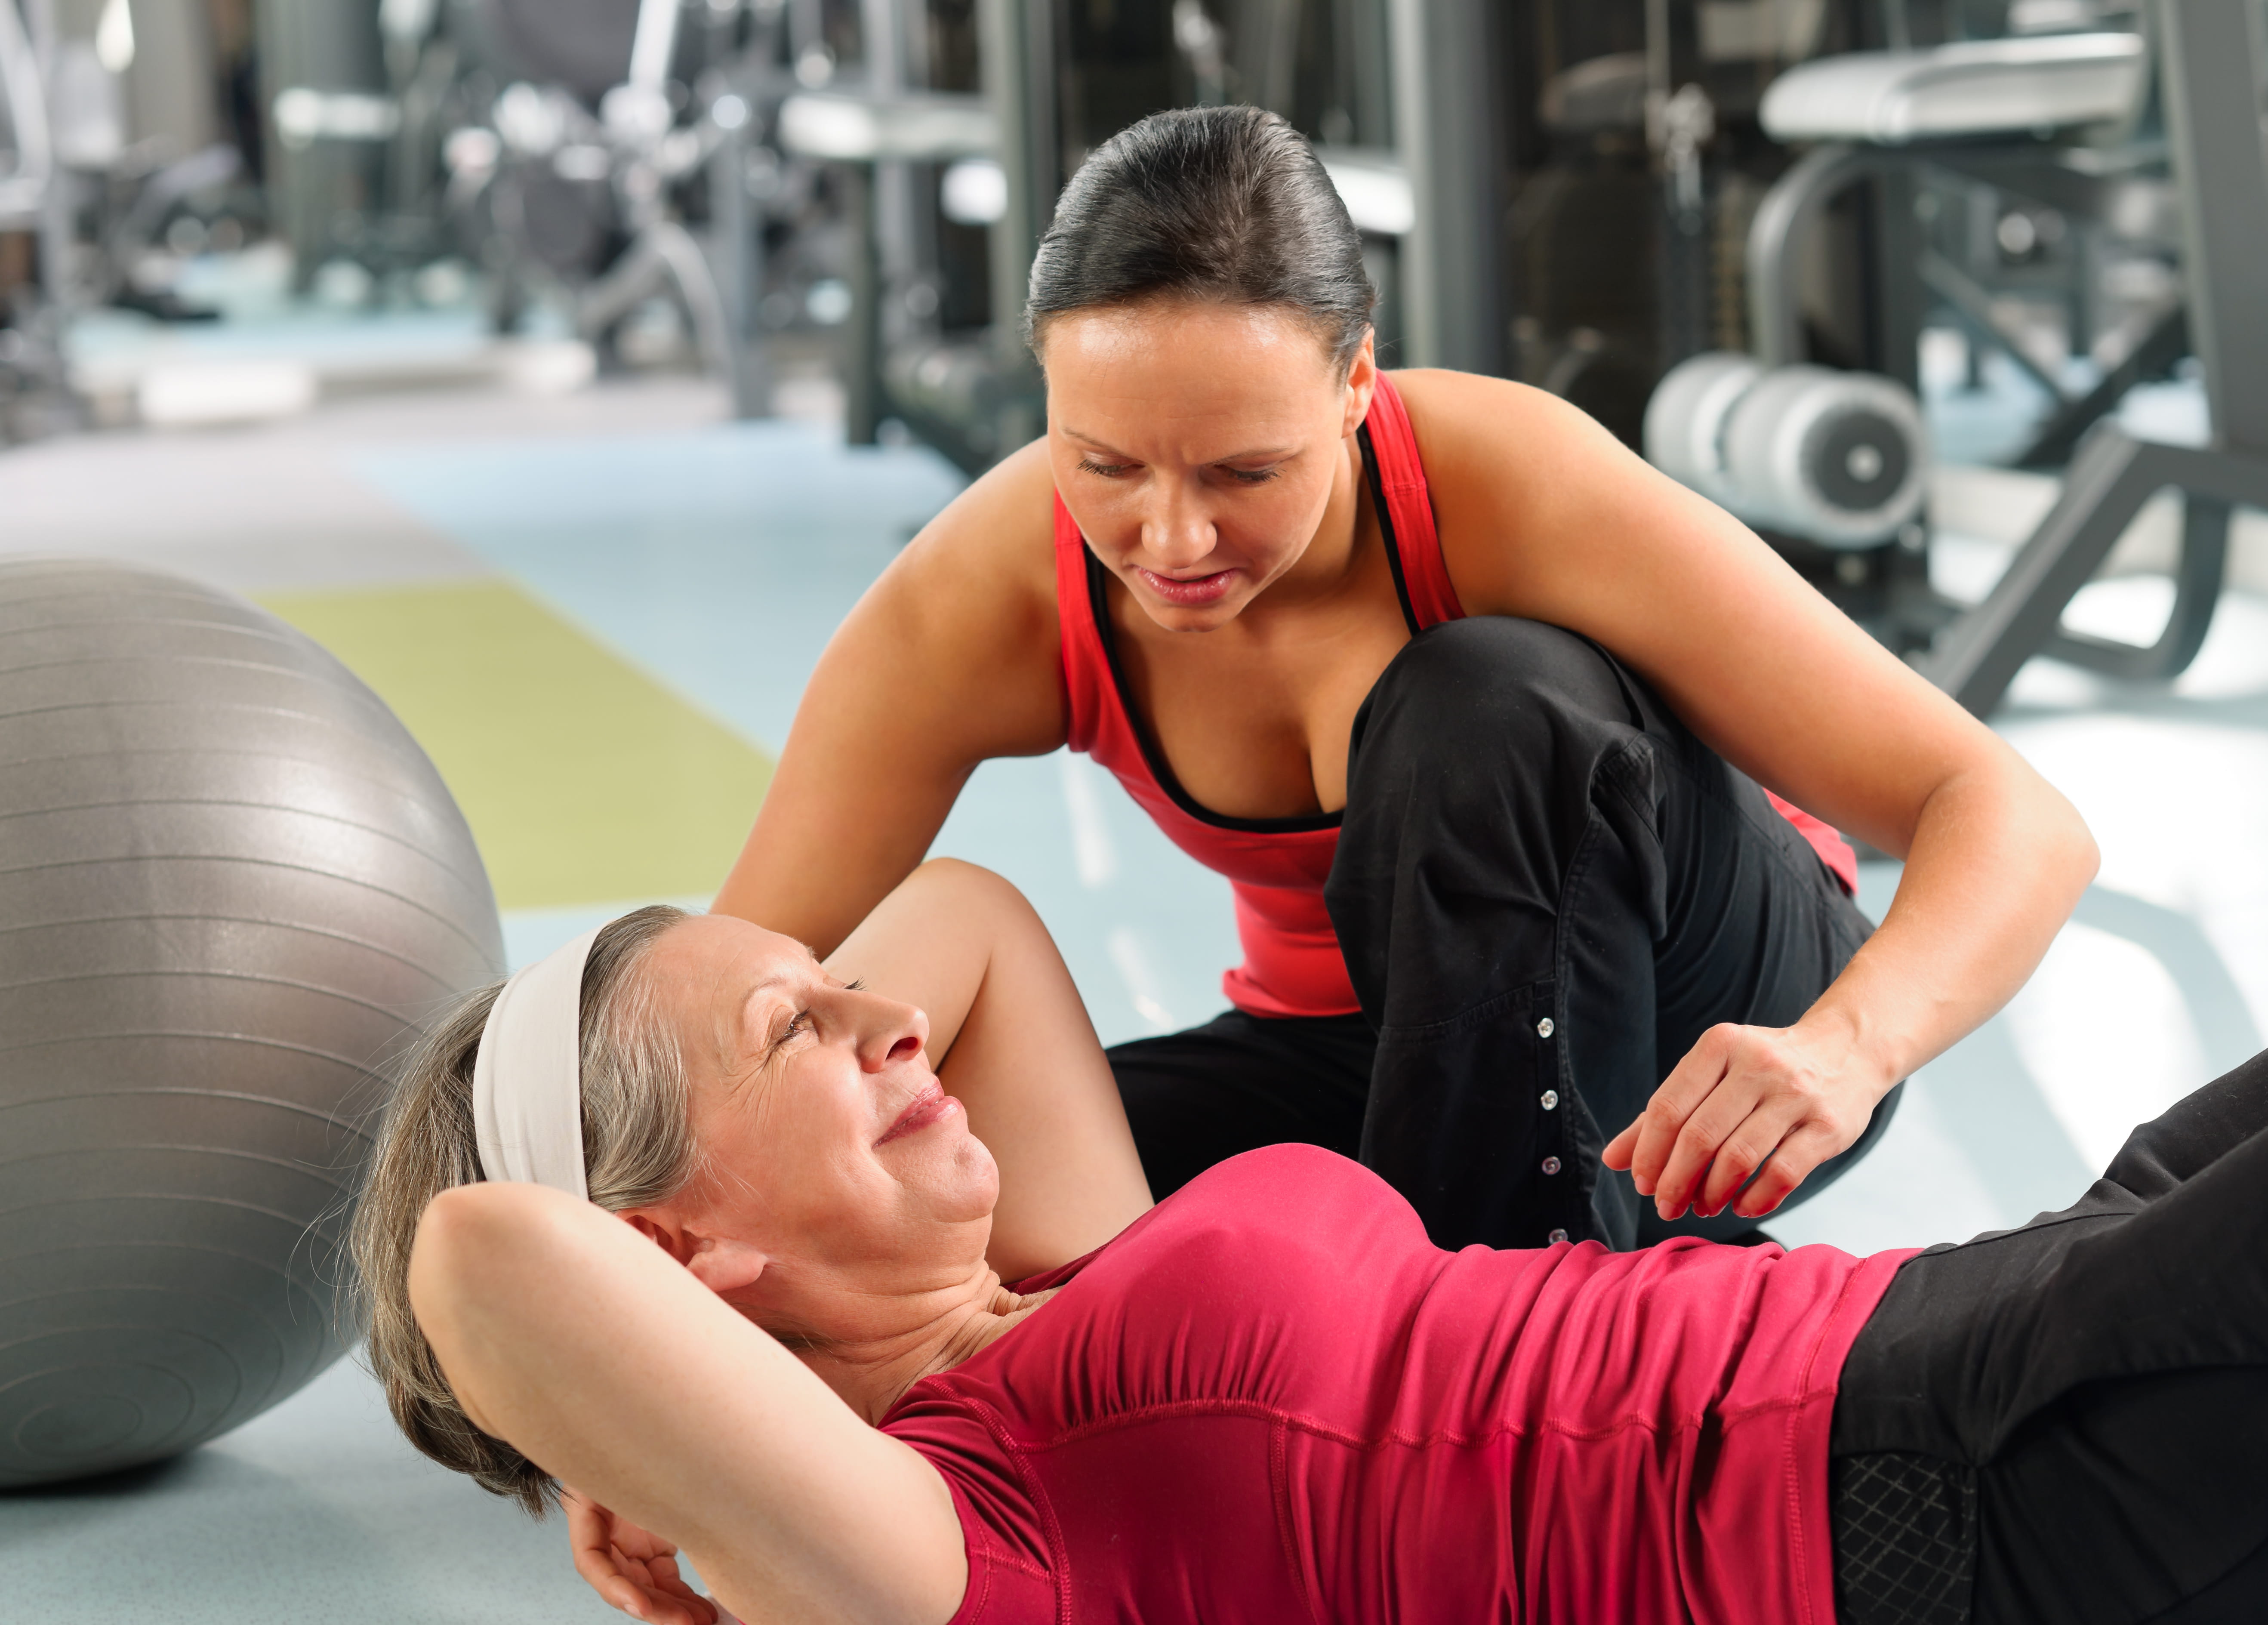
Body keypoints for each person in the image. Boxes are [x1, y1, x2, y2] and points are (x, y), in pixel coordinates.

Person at [363, 836, 2268, 1625]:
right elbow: (490, 1251)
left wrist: (760, 1035)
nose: (886, 1020)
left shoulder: (1055, 1279)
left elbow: (959, 912)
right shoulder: (960, 1568)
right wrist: (607, 1435)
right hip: (2047, 1533)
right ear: (676, 1256)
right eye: (801, 1041)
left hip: (2028, 1321)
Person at [709, 103, 2096, 1251]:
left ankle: (1511, 1349)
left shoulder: (1514, 482)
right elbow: (725, 1002)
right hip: (1378, 1061)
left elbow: (2008, 812)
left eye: (1245, 472)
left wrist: (1849, 1049)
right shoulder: (986, 594)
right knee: (933, 1187)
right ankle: (1518, 1276)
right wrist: (634, 1372)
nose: (1172, 540)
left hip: (1721, 1020)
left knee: (1483, 696)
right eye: (1105, 465)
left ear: (1358, 382)